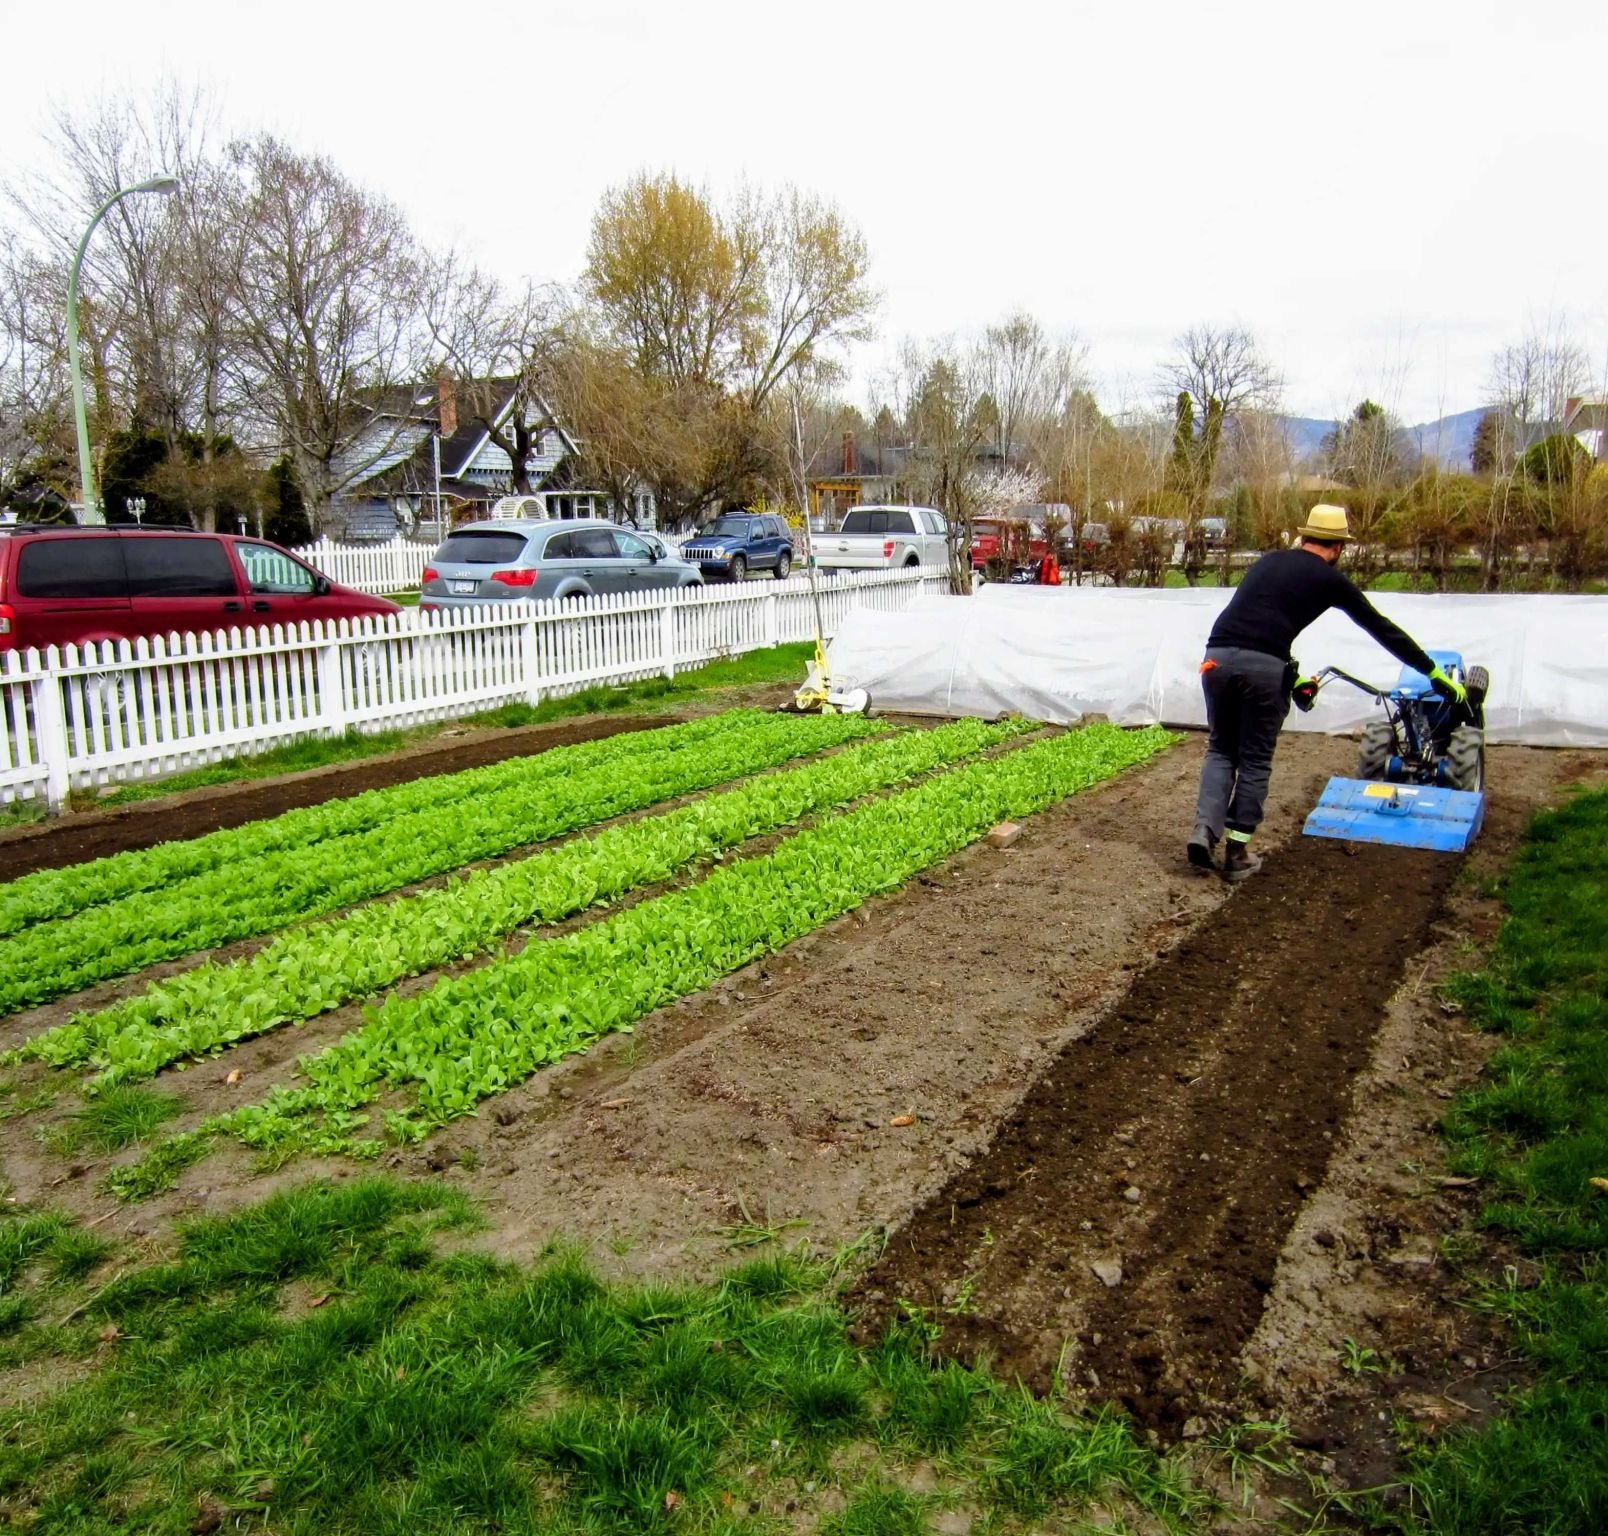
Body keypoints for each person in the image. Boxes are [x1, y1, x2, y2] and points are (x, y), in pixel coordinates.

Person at [1187, 504, 1466, 883]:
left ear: (1303, 537)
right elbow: (1381, 628)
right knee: (1254, 758)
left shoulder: (1269, 561)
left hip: (1215, 659)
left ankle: (1204, 832)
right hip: (1264, 666)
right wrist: (1431, 671)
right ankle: (1236, 854)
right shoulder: (1330, 579)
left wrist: (1294, 676)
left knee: (1221, 748)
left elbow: (1259, 619)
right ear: (1337, 549)